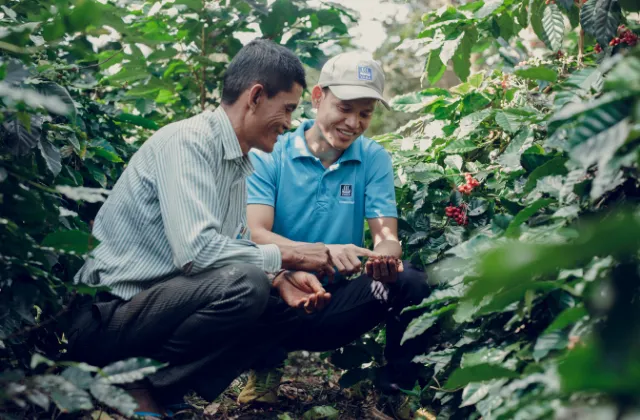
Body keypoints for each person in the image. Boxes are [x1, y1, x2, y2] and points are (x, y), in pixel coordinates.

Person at [65, 39, 336, 417]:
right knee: (245, 284)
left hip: (150, 311)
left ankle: (158, 388)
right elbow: (197, 254)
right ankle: (123, 380)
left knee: (283, 305)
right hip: (105, 320)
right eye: (287, 108)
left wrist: (281, 278)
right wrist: (291, 253)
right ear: (256, 96)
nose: (289, 123)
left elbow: (232, 247)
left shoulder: (237, 162)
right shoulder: (188, 142)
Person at [239, 51, 432, 415]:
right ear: (317, 97)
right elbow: (255, 233)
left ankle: (397, 387)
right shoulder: (272, 151)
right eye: (345, 108)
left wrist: (387, 255)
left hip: (335, 299)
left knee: (412, 282)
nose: (353, 122)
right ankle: (265, 367)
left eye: (365, 113)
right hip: (277, 293)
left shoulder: (373, 158)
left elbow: (385, 235)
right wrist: (320, 251)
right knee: (248, 275)